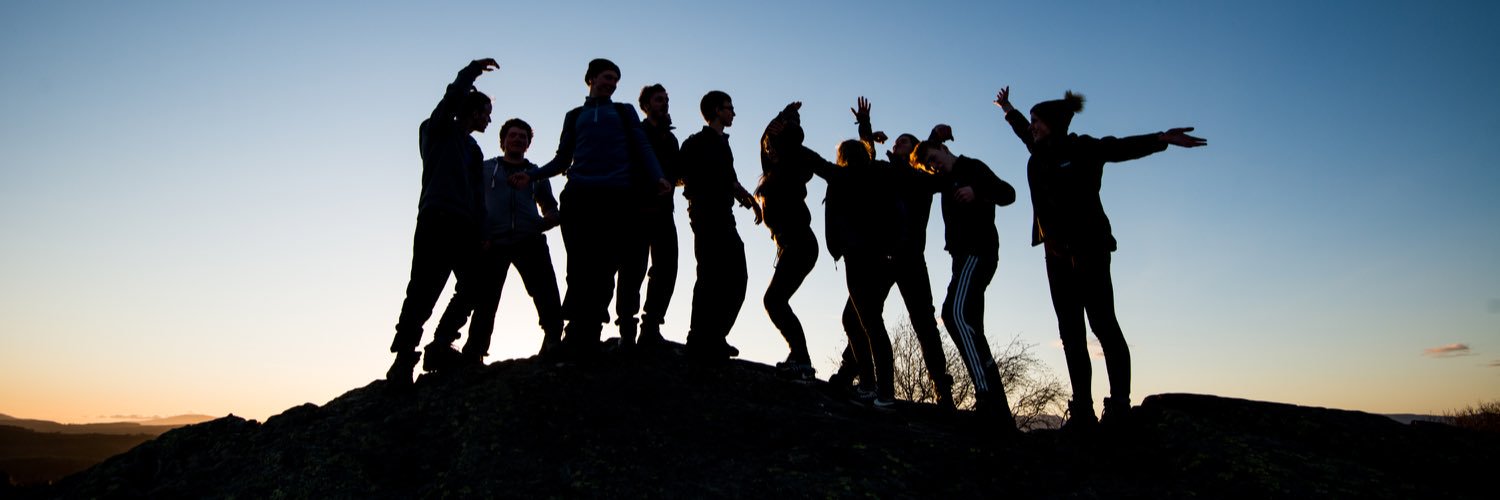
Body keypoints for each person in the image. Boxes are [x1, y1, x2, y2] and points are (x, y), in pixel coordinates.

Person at [992, 87, 1206, 428]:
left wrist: (1161, 138)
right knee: (1071, 333)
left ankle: (1119, 406)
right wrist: (1007, 108)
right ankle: (1082, 410)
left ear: (1053, 123)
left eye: (1037, 121)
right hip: (1055, 254)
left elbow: (1121, 147)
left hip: (1090, 248)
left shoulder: (1082, 148)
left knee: (1103, 325)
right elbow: (1020, 129)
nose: (1031, 126)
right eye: (1031, 121)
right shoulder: (1039, 150)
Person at [508, 58, 668, 360]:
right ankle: (576, 330)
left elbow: (642, 146)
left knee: (605, 266)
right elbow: (561, 159)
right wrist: (532, 175)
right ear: (591, 78)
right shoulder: (575, 115)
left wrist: (657, 175)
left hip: (616, 197)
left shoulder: (623, 111)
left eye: (616, 80)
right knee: (578, 266)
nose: (612, 84)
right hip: (578, 196)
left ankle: (592, 328)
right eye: (607, 77)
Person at [387, 58, 498, 384]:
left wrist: (482, 231)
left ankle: (440, 344)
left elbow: (478, 196)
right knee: (423, 290)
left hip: (466, 227)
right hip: (437, 220)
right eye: (486, 113)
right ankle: (404, 359)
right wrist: (471, 71)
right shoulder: (436, 130)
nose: (489, 120)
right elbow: (451, 100)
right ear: (473, 111)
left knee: (477, 285)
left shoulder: (474, 150)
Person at [431, 118, 564, 364]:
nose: (517, 140)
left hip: (529, 241)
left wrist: (543, 223)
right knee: (485, 299)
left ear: (528, 144)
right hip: (493, 242)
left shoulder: (536, 174)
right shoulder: (483, 169)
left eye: (523, 137)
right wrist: (478, 234)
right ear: (503, 141)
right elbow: (469, 202)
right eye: (513, 136)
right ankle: (474, 351)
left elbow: (551, 209)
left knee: (545, 292)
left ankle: (554, 339)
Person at [911, 127, 1019, 427]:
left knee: (953, 314)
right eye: (930, 165)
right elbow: (916, 172)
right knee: (972, 326)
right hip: (962, 259)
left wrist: (978, 192)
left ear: (944, 150)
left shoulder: (972, 167)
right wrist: (928, 140)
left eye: (934, 159)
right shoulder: (943, 179)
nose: (935, 166)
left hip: (978, 252)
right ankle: (999, 411)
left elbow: (1008, 193)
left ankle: (984, 395)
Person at [678, 90, 761, 361]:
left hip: (724, 216)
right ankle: (699, 336)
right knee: (710, 276)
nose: (733, 112)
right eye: (729, 108)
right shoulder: (696, 143)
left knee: (737, 277)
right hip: (705, 215)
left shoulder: (723, 144)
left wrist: (749, 200)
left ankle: (715, 335)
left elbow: (730, 179)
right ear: (716, 110)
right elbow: (682, 175)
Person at [755, 102, 821, 379]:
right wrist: (783, 115)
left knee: (774, 300)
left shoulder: (797, 162)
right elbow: (765, 140)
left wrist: (788, 121)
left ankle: (802, 360)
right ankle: (799, 356)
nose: (770, 148)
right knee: (776, 301)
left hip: (800, 244)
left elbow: (832, 171)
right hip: (791, 246)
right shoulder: (773, 164)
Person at [615, 84, 681, 348]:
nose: (664, 103)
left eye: (666, 99)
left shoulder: (671, 139)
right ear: (645, 105)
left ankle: (651, 326)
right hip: (637, 211)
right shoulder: (637, 134)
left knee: (667, 268)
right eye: (658, 99)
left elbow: (677, 174)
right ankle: (627, 329)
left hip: (665, 212)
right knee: (633, 269)